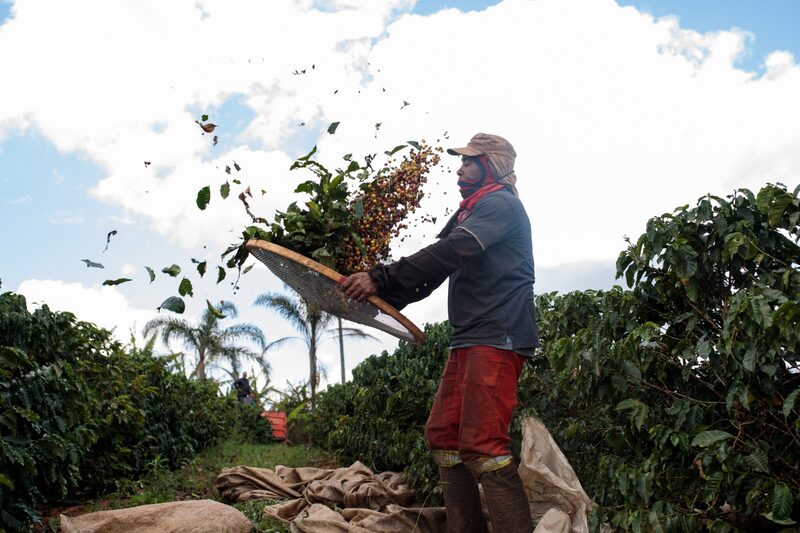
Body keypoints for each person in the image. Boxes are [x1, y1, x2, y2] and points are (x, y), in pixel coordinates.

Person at [341, 133, 538, 532]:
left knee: (483, 445)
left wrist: (380, 278)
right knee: (444, 436)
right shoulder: (470, 211)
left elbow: (450, 253)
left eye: (469, 162)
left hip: (497, 335)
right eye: (461, 162)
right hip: (469, 336)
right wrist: (385, 294)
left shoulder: (499, 204)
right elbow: (436, 271)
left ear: (491, 166)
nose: (459, 169)